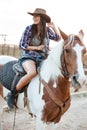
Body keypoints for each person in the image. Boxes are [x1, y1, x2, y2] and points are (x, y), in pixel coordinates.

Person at [7, 8, 61, 108]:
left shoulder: (47, 30)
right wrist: (37, 47)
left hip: (43, 58)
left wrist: (54, 27)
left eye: (37, 16)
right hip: (29, 56)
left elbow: (58, 39)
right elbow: (22, 45)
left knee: (54, 72)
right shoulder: (29, 28)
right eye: (33, 16)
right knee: (32, 72)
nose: (34, 18)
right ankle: (12, 94)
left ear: (43, 18)